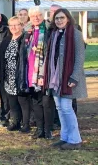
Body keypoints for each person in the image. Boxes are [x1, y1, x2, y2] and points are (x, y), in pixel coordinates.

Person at [45, 9, 87, 150]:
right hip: (56, 78)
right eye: (56, 18)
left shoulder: (75, 34)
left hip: (68, 79)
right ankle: (65, 137)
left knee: (67, 108)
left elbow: (80, 58)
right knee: (59, 108)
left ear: (68, 18)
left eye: (62, 18)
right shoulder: (54, 34)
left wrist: (74, 77)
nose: (59, 21)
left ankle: (75, 140)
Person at [0, 16, 31, 133]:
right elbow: (0, 57)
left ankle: (26, 124)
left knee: (23, 101)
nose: (14, 27)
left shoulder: (25, 39)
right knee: (12, 102)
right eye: (11, 25)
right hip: (8, 76)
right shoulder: (7, 40)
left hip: (20, 76)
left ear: (21, 25)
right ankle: (15, 122)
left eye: (16, 25)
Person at [24, 7, 55, 139]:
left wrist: (44, 73)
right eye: (33, 16)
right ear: (30, 18)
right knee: (36, 102)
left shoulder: (49, 31)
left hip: (45, 72)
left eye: (39, 15)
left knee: (47, 102)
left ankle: (48, 130)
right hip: (31, 72)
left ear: (43, 16)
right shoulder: (28, 32)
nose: (36, 18)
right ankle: (39, 129)